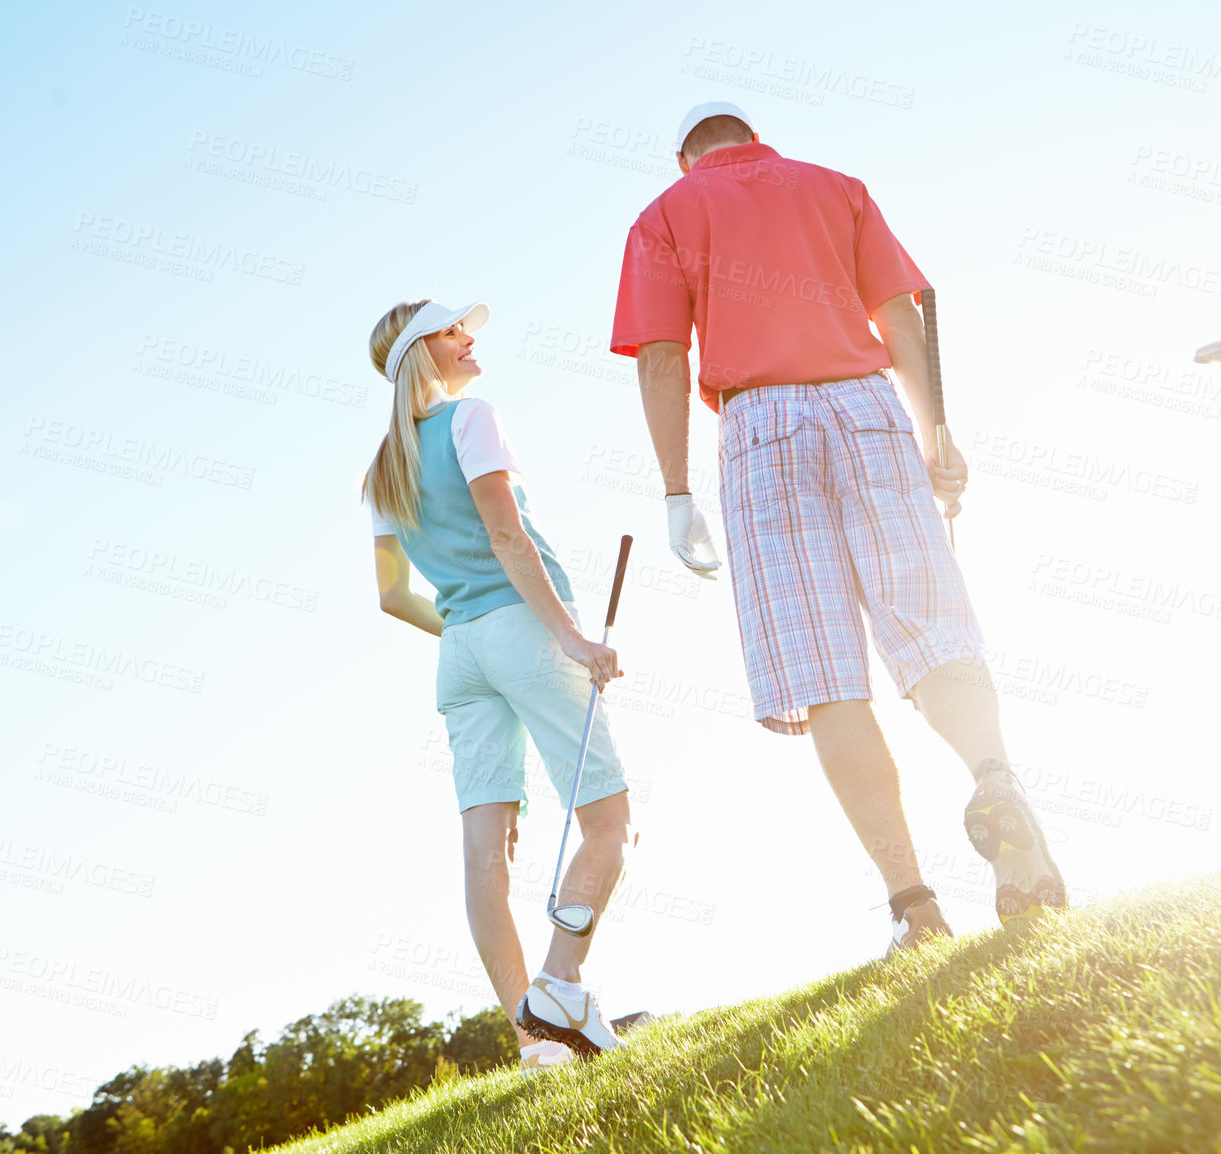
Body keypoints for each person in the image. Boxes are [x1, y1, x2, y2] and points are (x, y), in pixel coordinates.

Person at [608, 102, 1066, 954]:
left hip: (760, 427)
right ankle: (994, 776)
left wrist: (676, 491)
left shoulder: (664, 215)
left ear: (684, 156)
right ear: (753, 135)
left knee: (825, 676)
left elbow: (664, 355)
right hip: (866, 406)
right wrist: (937, 437)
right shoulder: (835, 187)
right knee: (932, 629)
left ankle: (916, 907)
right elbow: (901, 319)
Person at [363, 298, 633, 1066]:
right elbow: (506, 533)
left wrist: (473, 635)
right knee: (610, 822)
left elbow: (391, 596)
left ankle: (533, 1043)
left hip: (461, 654)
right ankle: (559, 981)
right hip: (524, 626)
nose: (469, 338)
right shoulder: (472, 417)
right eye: (454, 332)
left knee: (485, 855)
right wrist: (568, 636)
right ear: (426, 352)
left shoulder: (382, 469)